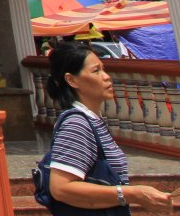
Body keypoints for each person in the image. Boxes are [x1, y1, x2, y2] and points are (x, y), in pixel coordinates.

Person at [45, 41, 172, 215]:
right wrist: (132, 193)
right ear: (72, 80)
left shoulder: (93, 120)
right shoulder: (76, 124)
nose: (106, 77)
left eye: (103, 69)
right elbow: (61, 188)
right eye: (96, 71)